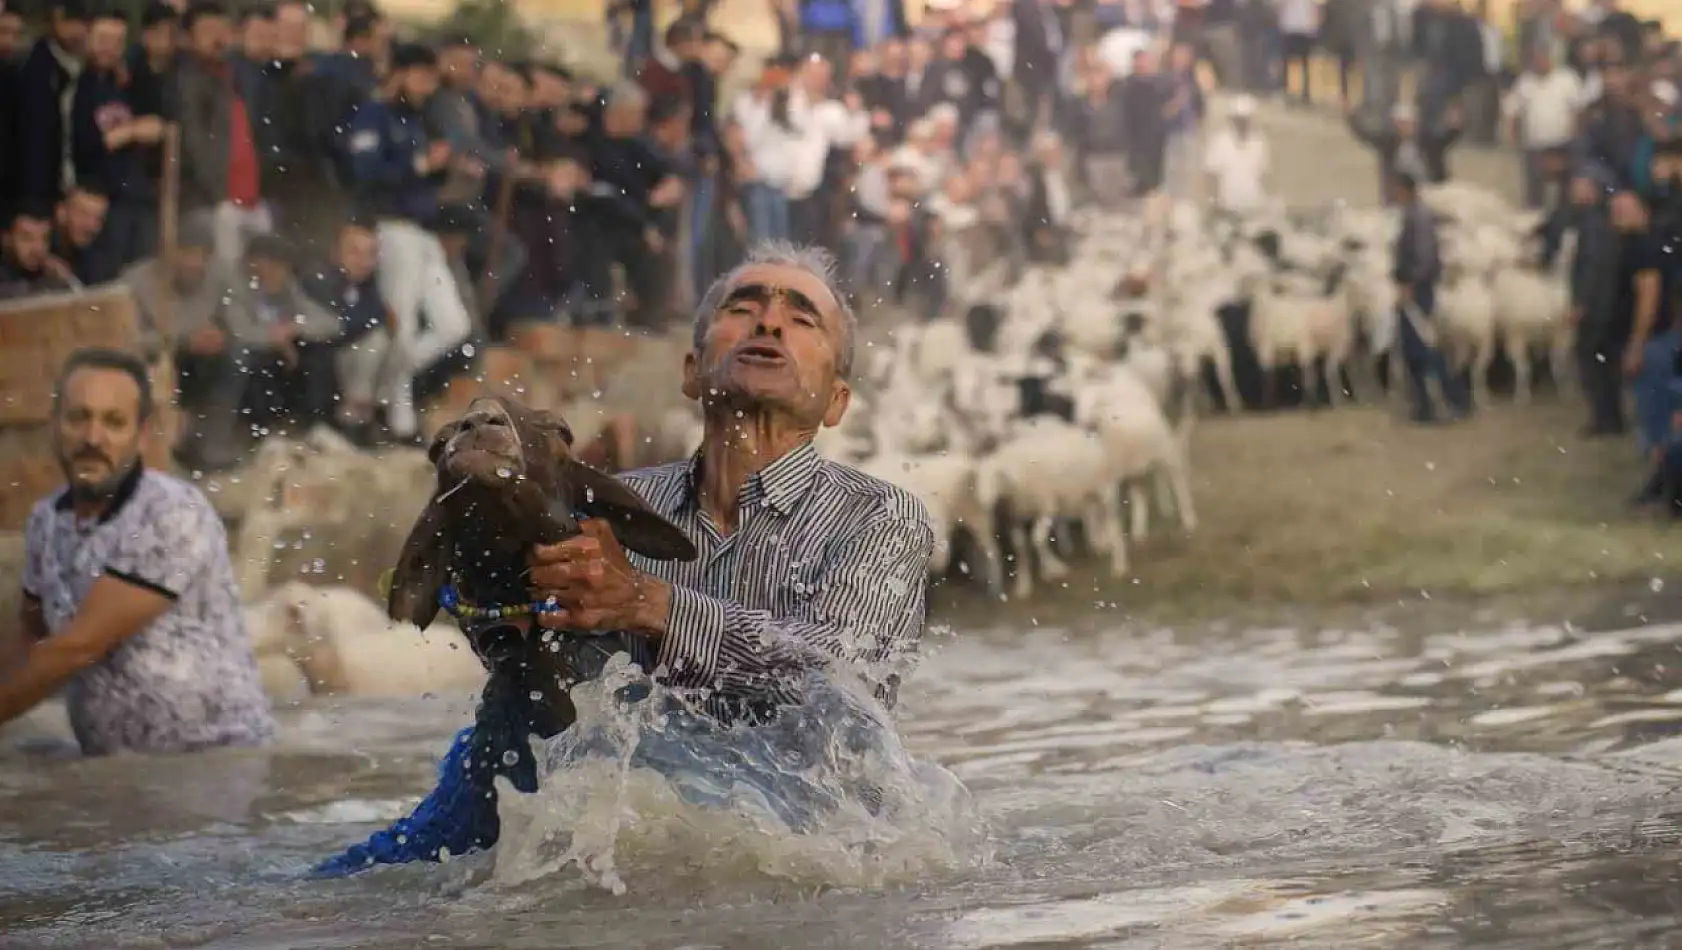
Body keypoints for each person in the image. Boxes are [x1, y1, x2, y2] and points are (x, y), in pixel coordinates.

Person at [317, 241, 937, 874]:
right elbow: (526, 661)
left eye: (802, 319)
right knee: (351, 888)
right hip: (614, 819)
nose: (770, 322)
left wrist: (649, 602)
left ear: (836, 401)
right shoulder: (619, 501)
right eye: (743, 307)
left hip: (796, 838)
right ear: (693, 372)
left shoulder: (881, 516)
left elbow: (849, 673)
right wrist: (503, 590)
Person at [0, 348, 276, 754]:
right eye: (79, 418)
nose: (93, 438)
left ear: (142, 434)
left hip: (216, 763)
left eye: (114, 422)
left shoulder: (169, 512)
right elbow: (31, 637)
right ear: (54, 424)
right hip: (115, 770)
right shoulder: (46, 520)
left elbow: (78, 646)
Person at [1391, 171, 1470, 424]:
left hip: (1418, 291)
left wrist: (1411, 283)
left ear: (1406, 190)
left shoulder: (1419, 217)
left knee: (1426, 347)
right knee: (1414, 349)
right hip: (1410, 288)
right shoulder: (1412, 215)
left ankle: (1454, 400)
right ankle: (1424, 405)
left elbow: (1424, 257)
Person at [1203, 93, 1269, 215]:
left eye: (1246, 119)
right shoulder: (1220, 142)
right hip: (1228, 206)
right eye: (1239, 119)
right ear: (1233, 120)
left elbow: (1262, 175)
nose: (1243, 123)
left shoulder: (1259, 142)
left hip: (1254, 204)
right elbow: (1211, 175)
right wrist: (1214, 201)